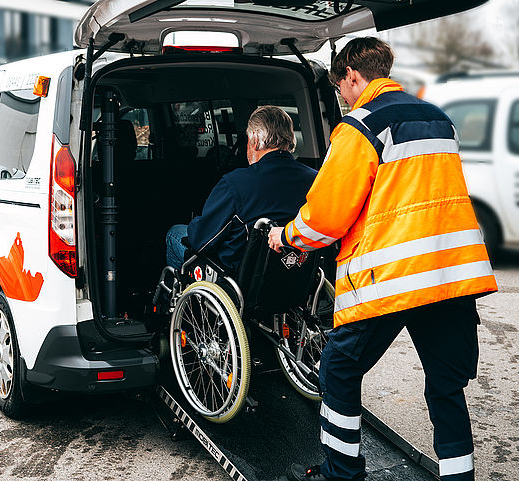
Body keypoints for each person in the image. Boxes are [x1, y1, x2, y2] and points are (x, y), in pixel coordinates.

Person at [268, 37, 497, 481]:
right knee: (447, 387)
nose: (343, 98)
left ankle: (341, 472)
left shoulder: (361, 126)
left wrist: (286, 236)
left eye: (341, 88)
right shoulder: (438, 119)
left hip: (392, 278)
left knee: (337, 369)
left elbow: (327, 216)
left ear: (353, 76)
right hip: (450, 275)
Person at [166, 105, 317, 272]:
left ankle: (172, 297)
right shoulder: (316, 180)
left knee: (175, 234)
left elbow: (201, 242)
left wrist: (196, 223)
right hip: (299, 274)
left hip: (239, 280)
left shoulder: (235, 183)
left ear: (256, 140)